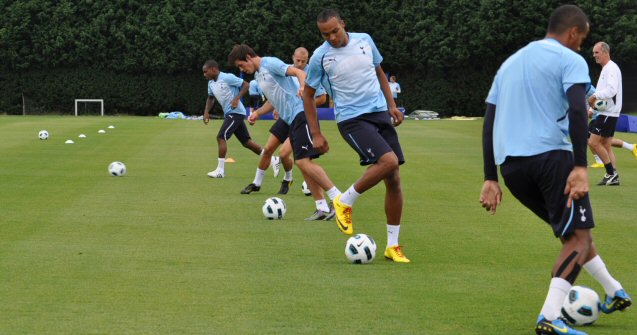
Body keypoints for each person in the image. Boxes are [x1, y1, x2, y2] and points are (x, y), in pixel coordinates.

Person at [479, 5, 631, 335]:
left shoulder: (511, 63)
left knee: (572, 233)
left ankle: (614, 290)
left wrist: (490, 177)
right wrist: (579, 166)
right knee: (578, 237)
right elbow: (579, 110)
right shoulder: (569, 59)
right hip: (553, 160)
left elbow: (489, 121)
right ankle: (549, 317)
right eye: (582, 40)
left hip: (512, 169)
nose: (582, 49)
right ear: (573, 33)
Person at [304, 9, 409, 263]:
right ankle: (344, 201)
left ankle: (392, 246)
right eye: (325, 34)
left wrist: (391, 105)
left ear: (343, 24)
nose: (331, 37)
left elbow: (379, 73)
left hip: (380, 113)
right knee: (389, 161)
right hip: (351, 119)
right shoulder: (320, 57)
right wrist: (315, 133)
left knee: (393, 179)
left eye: (334, 31)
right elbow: (308, 95)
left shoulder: (365, 40)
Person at [228, 44, 342, 220]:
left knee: (303, 162)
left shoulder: (270, 63)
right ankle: (322, 207)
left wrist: (303, 87)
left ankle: (338, 199)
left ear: (248, 58)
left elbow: (300, 73)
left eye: (241, 65)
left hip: (301, 113)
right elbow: (273, 100)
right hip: (291, 119)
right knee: (303, 164)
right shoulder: (259, 75)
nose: (242, 69)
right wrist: (257, 113)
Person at [202, 60, 275, 178]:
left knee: (221, 137)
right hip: (230, 113)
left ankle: (220, 171)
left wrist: (237, 99)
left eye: (206, 72)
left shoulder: (227, 77)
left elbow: (246, 85)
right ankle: (272, 159)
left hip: (235, 112)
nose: (204, 74)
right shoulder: (210, 83)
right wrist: (206, 112)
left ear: (214, 69)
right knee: (246, 142)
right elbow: (210, 98)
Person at [588, 41, 623, 186]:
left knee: (593, 142)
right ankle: (613, 177)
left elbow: (611, 90)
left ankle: (611, 173)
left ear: (605, 52)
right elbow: (605, 92)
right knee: (606, 145)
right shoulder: (606, 68)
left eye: (597, 52)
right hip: (606, 112)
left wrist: (595, 96)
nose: (594, 55)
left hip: (608, 112)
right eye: (594, 53)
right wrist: (592, 109)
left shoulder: (611, 68)